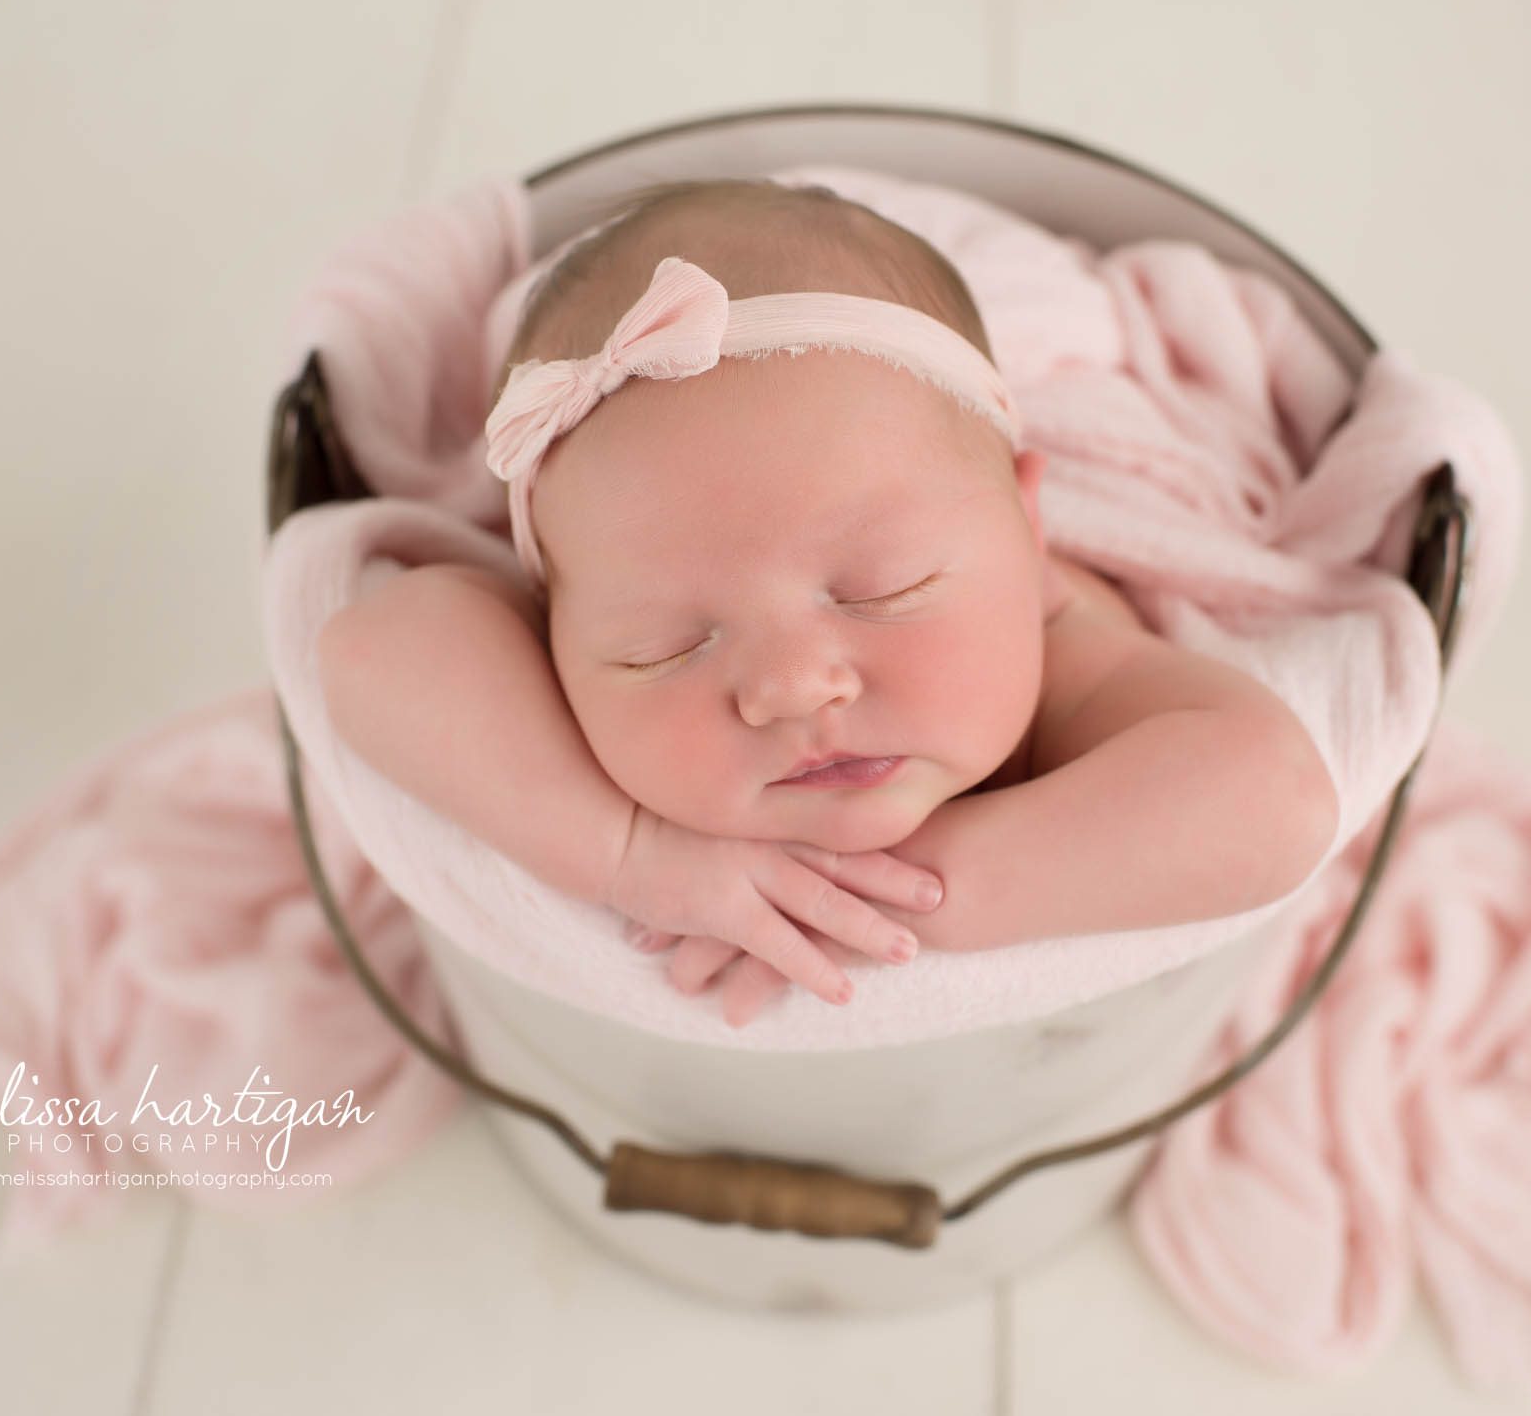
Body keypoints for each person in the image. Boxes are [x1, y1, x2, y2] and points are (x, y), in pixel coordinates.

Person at [319, 179, 1337, 1028]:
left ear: (1025, 532)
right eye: (662, 647)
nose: (790, 687)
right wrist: (631, 856)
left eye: (882, 588)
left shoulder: (1064, 647)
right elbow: (371, 651)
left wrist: (896, 898)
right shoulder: (571, 618)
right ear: (554, 626)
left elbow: (1277, 799)